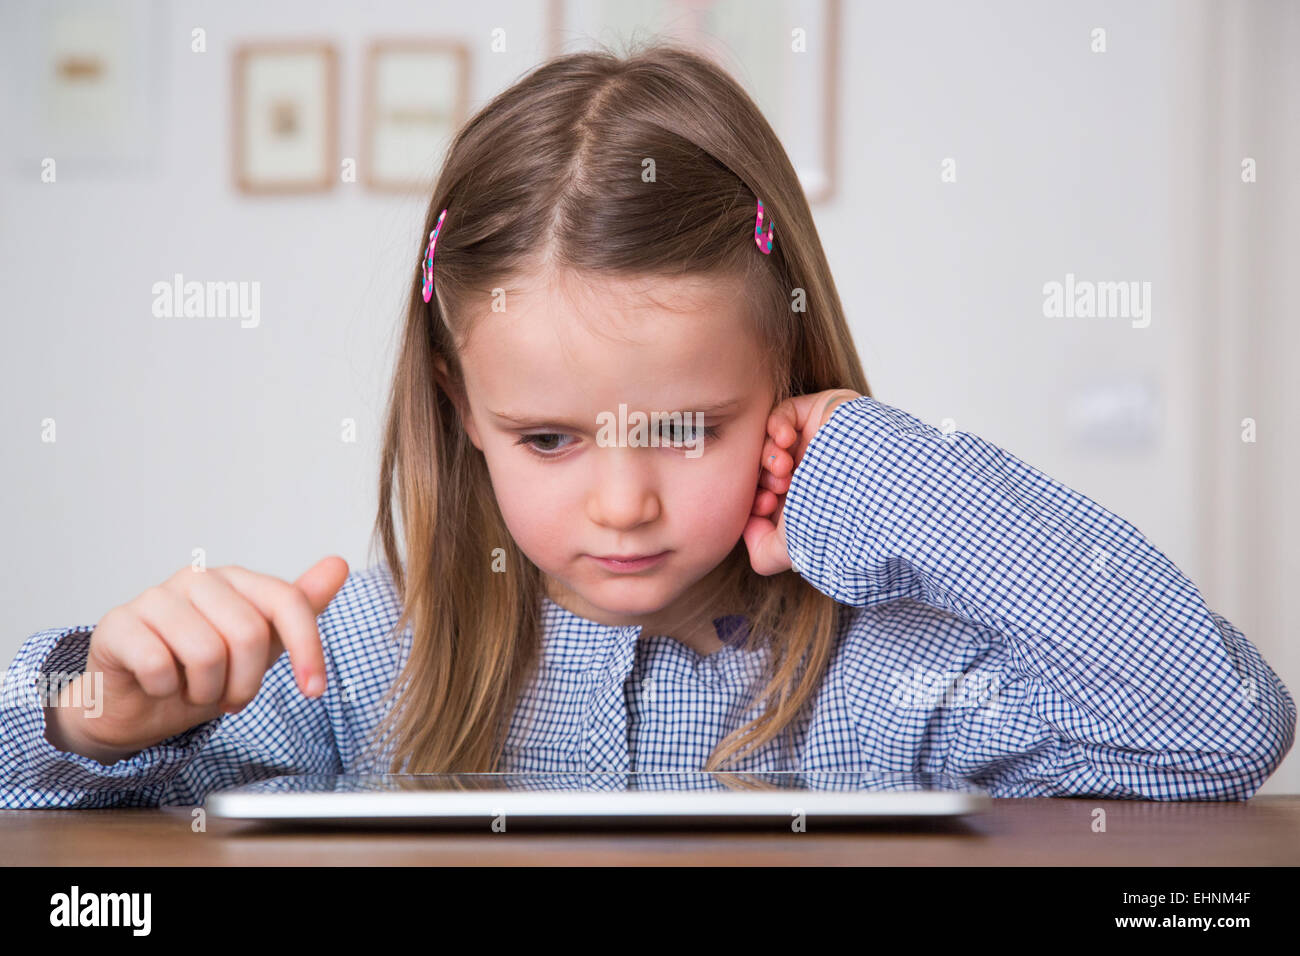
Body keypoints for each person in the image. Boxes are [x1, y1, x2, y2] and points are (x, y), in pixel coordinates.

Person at [1, 43, 1293, 809]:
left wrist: (881, 468)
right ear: (464, 412)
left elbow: (1219, 727)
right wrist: (90, 714)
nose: (622, 503)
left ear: (786, 375)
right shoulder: (362, 656)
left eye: (684, 426)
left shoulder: (887, 683)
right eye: (550, 439)